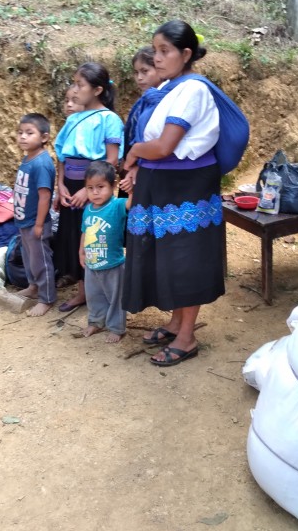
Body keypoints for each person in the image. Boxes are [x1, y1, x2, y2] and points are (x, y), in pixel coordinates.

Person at [122, 20, 226, 367]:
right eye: (156, 49)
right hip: (163, 185)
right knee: (169, 256)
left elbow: (165, 146)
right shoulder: (171, 88)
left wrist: (135, 151)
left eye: (165, 51)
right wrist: (141, 155)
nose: (158, 56)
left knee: (185, 259)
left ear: (185, 54)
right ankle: (176, 322)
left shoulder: (192, 90)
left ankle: (187, 337)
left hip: (186, 187)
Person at [53, 62, 124, 312]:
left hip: (94, 187)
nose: (74, 89)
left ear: (97, 90)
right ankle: (83, 292)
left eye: (79, 84)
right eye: (73, 83)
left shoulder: (109, 119)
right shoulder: (74, 118)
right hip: (70, 185)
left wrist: (87, 189)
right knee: (73, 237)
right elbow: (62, 154)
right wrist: (60, 184)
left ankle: (100, 293)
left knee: (93, 238)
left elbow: (112, 159)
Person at [78, 161, 132, 343]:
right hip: (92, 264)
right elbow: (85, 231)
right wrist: (81, 251)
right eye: (90, 188)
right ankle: (96, 322)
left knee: (116, 298)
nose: (95, 192)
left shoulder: (117, 205)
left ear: (113, 186)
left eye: (100, 187)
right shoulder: (88, 210)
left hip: (113, 264)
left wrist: (131, 190)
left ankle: (117, 328)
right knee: (94, 296)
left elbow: (133, 203)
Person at [13, 113, 56, 317]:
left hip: (35, 223)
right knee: (29, 258)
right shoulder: (27, 158)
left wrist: (39, 224)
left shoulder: (41, 164)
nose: (23, 137)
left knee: (41, 261)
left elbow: (44, 196)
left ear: (44, 137)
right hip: (24, 221)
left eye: (29, 133)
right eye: (20, 132)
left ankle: (47, 298)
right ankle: (33, 287)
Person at [120, 46, 161, 196]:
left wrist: (136, 165)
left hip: (146, 170)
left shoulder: (164, 102)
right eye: (136, 72)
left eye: (145, 71)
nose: (139, 77)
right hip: (131, 167)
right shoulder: (142, 102)